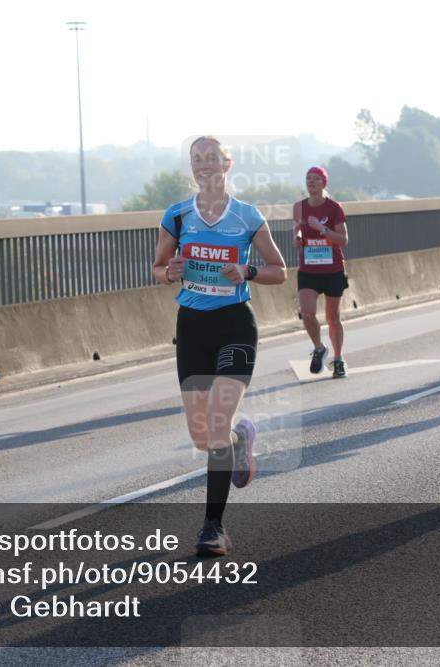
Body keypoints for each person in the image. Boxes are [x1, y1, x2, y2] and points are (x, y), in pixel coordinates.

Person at [152, 136, 286, 556]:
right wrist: (169, 271)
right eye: (197, 159)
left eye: (212, 158)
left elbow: (279, 270)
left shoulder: (247, 216)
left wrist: (247, 269)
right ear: (191, 167)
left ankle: (213, 527)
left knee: (213, 423)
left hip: (234, 326)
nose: (204, 165)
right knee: (202, 432)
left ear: (227, 165)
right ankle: (239, 441)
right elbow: (157, 268)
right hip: (192, 327)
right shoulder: (176, 216)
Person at [294, 166, 350, 378]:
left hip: (333, 268)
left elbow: (343, 240)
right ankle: (319, 348)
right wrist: (298, 236)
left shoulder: (334, 207)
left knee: (332, 317)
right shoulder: (299, 207)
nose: (311, 182)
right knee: (307, 312)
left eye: (316, 179)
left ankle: (338, 359)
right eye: (308, 178)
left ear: (323, 183)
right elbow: (298, 226)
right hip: (308, 268)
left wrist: (322, 229)